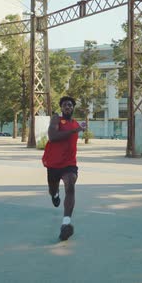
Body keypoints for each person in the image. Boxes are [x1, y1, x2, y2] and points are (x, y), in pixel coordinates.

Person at [42, 96, 87, 241]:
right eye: (65, 105)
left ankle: (66, 223)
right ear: (61, 108)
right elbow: (52, 136)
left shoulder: (75, 124)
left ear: (73, 108)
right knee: (53, 189)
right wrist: (75, 131)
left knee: (70, 186)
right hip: (54, 163)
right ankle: (54, 195)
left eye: (70, 105)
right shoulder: (56, 119)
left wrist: (78, 129)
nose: (67, 107)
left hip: (69, 164)